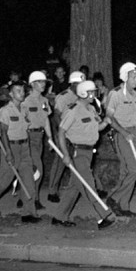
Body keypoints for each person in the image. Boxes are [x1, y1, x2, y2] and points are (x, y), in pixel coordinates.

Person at [52, 80, 116, 229]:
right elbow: (62, 131)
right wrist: (65, 154)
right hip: (78, 152)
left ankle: (59, 217)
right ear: (83, 93)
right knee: (88, 185)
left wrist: (105, 123)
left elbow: (96, 128)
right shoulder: (73, 110)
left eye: (94, 91)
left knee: (75, 186)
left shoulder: (91, 109)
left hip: (88, 153)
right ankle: (104, 216)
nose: (94, 94)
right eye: (92, 92)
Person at [0, 80, 40, 223]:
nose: (22, 93)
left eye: (23, 90)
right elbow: (3, 133)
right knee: (3, 182)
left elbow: (26, 129)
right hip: (10, 147)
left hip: (24, 148)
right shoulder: (5, 111)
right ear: (11, 94)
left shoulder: (24, 109)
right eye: (18, 91)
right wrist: (8, 153)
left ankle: (28, 213)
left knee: (28, 180)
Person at [105, 62, 136, 218]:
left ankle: (123, 206)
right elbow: (109, 117)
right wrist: (124, 132)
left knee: (127, 171)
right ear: (125, 77)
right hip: (123, 135)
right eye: (133, 77)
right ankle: (113, 198)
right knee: (134, 170)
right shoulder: (115, 94)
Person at [45, 70, 85, 203]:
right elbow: (56, 115)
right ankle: (52, 191)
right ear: (73, 84)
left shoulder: (82, 96)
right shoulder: (63, 97)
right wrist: (61, 132)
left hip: (78, 134)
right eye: (80, 83)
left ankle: (90, 188)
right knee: (60, 162)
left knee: (82, 160)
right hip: (65, 133)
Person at [23, 71, 53, 209]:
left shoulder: (44, 101)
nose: (43, 85)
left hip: (39, 137)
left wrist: (50, 138)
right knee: (37, 169)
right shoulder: (26, 101)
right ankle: (33, 199)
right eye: (40, 82)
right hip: (29, 137)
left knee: (31, 170)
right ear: (33, 84)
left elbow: (46, 119)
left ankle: (24, 196)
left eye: (44, 82)